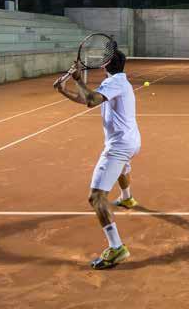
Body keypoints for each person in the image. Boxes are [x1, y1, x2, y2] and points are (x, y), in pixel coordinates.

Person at [55, 49, 140, 269]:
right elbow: (88, 100)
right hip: (130, 141)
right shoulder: (117, 82)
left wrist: (77, 79)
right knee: (122, 167)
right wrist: (65, 90)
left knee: (96, 197)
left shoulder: (115, 83)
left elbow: (92, 100)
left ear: (105, 64)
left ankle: (116, 248)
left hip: (119, 144)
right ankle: (127, 197)